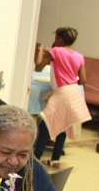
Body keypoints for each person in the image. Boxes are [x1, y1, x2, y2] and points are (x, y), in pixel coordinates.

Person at [33, 27, 90, 167]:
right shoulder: (79, 56)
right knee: (63, 125)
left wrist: (40, 49)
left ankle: (35, 160)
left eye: (56, 38)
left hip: (62, 94)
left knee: (45, 125)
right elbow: (83, 80)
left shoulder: (55, 51)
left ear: (60, 39)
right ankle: (55, 160)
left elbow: (38, 67)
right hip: (74, 93)